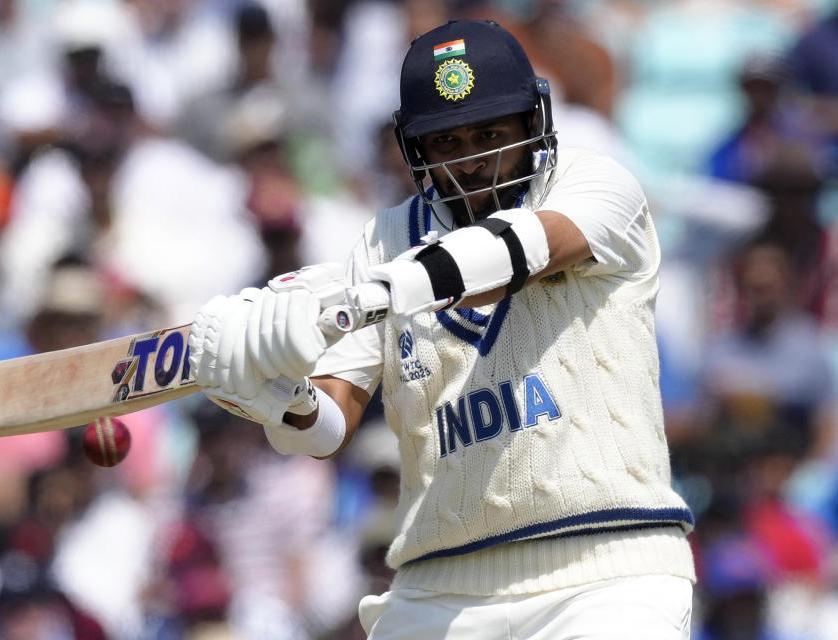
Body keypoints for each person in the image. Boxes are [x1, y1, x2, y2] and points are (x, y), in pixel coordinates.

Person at [188, 19, 696, 639]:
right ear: (417, 150)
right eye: (448, 141)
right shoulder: (382, 240)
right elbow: (323, 431)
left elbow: (516, 253)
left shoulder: (596, 185)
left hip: (606, 571)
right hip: (439, 587)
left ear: (533, 125)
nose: (474, 161)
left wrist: (367, 294)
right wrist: (273, 396)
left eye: (490, 134)